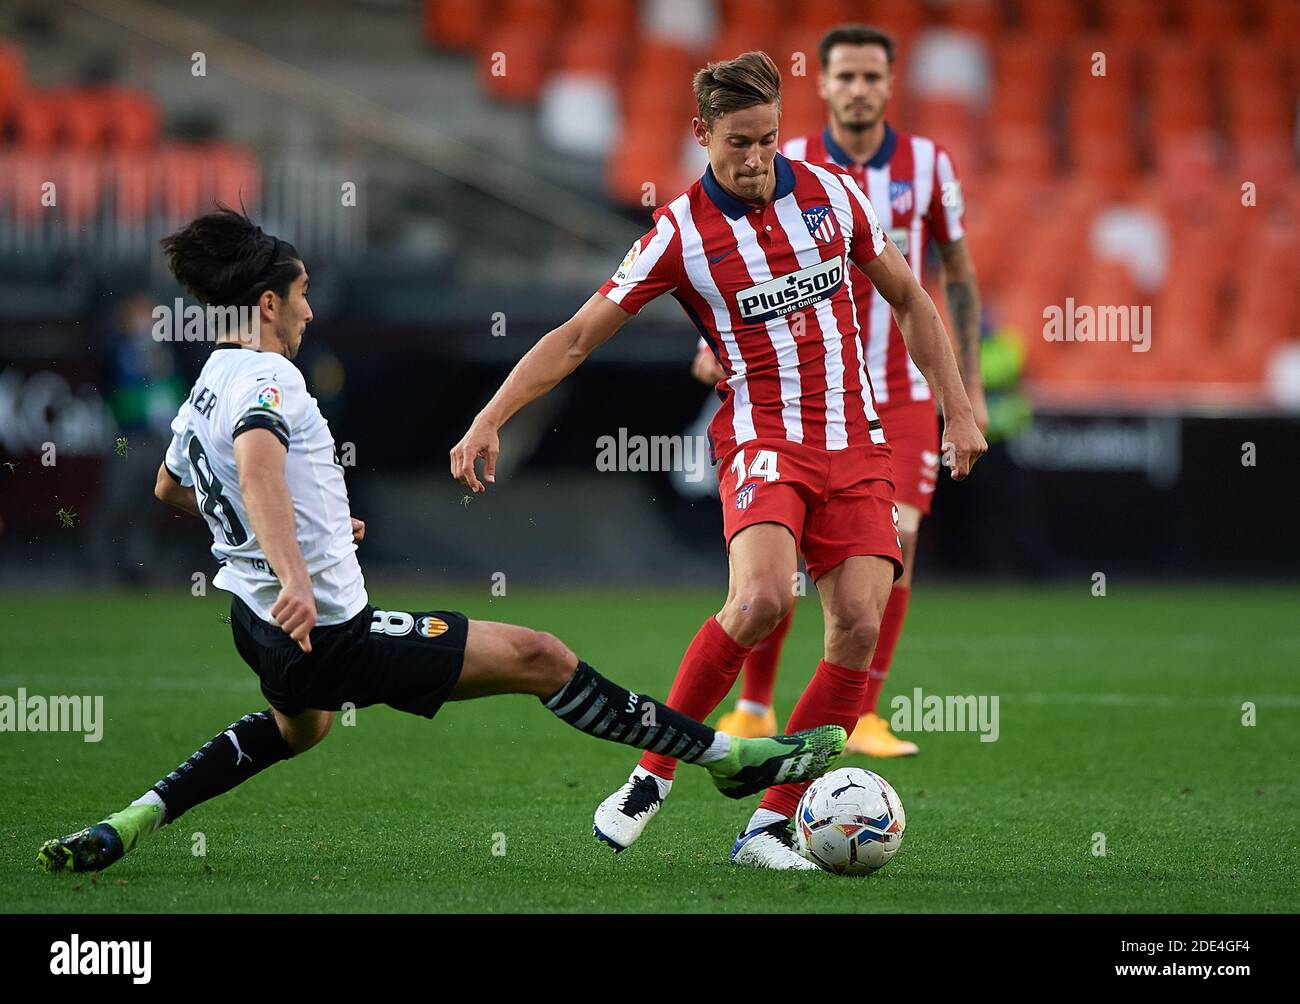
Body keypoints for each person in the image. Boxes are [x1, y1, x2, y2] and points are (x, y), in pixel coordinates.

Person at [36, 207, 845, 875]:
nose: (312, 310)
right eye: (304, 293)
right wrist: (294, 571)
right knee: (542, 657)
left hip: (258, 628)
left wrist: (301, 535)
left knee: (298, 729)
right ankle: (731, 758)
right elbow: (254, 466)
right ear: (271, 303)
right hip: (324, 631)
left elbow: (173, 485)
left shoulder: (212, 374)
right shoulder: (271, 379)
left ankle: (129, 822)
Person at [451, 52, 985, 869]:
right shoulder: (677, 234)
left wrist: (957, 407)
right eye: (739, 142)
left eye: (769, 139)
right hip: (763, 438)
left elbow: (911, 297)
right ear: (701, 135)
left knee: (860, 627)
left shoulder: (835, 196)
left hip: (856, 440)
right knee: (764, 598)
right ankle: (651, 773)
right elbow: (575, 337)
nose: (758, 159)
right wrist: (491, 417)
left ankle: (769, 825)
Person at [710, 24, 989, 758]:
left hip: (896, 390)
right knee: (786, 555)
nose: (859, 89)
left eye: (872, 76)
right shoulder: (785, 160)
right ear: (824, 85)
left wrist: (968, 393)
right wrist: (710, 353)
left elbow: (954, 275)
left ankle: (862, 711)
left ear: (889, 84)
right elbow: (729, 265)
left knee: (896, 537)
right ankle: (756, 707)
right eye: (846, 77)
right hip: (801, 388)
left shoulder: (930, 164)